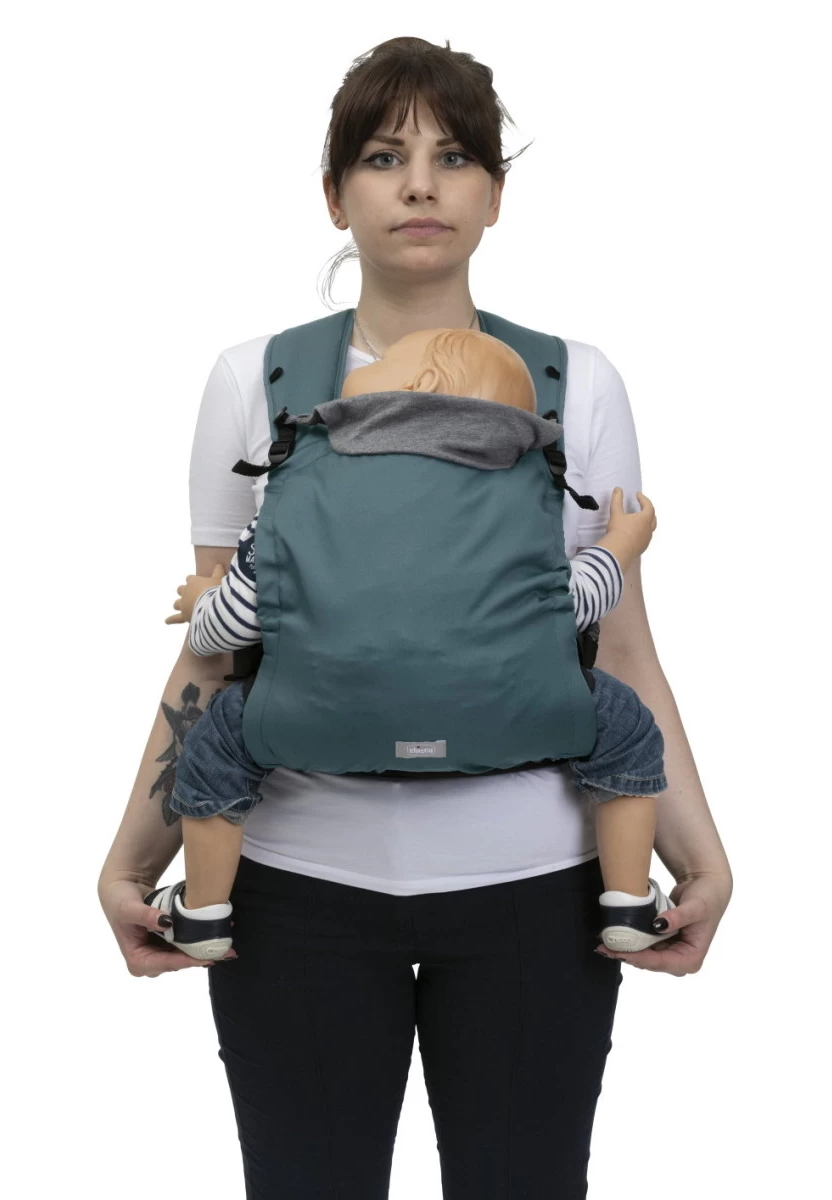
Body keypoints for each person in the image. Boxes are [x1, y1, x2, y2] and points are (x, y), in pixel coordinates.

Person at [97, 36, 734, 1198]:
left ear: (495, 194)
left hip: (537, 884)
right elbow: (216, 652)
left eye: (455, 158)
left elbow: (623, 649)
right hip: (295, 885)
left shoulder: (579, 381)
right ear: (335, 193)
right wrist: (136, 857)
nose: (421, 185)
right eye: (385, 157)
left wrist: (699, 855)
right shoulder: (251, 380)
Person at [149, 325, 676, 961]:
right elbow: (574, 606)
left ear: (418, 384)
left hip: (313, 718)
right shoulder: (527, 493)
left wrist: (201, 602)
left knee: (218, 748)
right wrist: (620, 545)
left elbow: (230, 629)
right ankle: (628, 901)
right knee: (627, 733)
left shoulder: (300, 482)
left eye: (383, 361)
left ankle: (204, 913)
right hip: (518, 716)